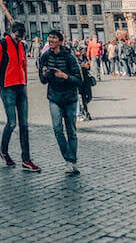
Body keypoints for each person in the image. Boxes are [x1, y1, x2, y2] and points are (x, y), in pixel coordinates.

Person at [0, 21, 41, 172]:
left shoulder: (21, 45)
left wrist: (24, 81)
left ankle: (26, 160)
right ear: (11, 32)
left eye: (21, 38)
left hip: (20, 86)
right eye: (17, 37)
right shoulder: (2, 44)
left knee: (24, 124)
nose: (19, 40)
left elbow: (23, 63)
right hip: (7, 87)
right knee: (12, 123)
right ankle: (3, 151)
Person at [39, 30, 82, 175]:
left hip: (70, 98)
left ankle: (72, 161)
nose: (50, 40)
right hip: (54, 98)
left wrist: (65, 76)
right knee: (57, 129)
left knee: (71, 131)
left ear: (60, 41)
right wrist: (44, 74)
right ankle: (68, 158)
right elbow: (43, 80)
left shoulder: (70, 58)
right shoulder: (44, 56)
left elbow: (79, 79)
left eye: (53, 38)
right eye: (49, 37)